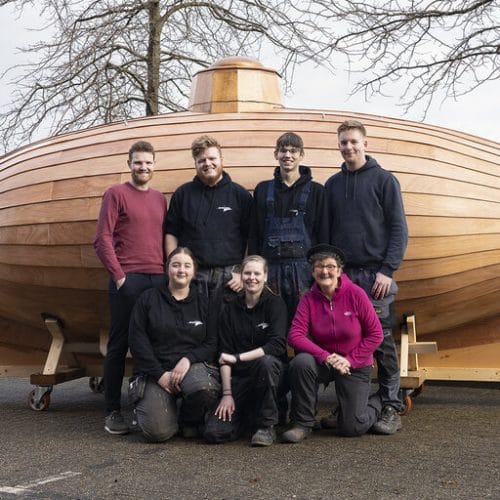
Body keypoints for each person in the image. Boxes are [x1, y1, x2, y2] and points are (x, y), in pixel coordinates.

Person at [325, 120, 408, 434]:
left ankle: (390, 405)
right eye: (343, 142)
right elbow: (328, 233)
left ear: (365, 144)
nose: (348, 147)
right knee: (344, 340)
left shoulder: (385, 181)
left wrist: (388, 270)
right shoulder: (332, 185)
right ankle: (349, 403)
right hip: (343, 278)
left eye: (353, 142)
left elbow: (399, 230)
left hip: (376, 277)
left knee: (382, 342)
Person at [94, 140, 167, 435]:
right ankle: (112, 411)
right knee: (119, 345)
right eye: (138, 162)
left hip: (157, 279)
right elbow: (102, 239)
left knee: (147, 345)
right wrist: (119, 276)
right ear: (129, 164)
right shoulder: (116, 194)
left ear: (154, 164)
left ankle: (141, 407)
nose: (143, 167)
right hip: (128, 279)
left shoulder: (160, 198)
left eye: (148, 162)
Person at [282, 244, 384, 443]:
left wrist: (350, 360)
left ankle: (378, 403)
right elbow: (295, 335)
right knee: (301, 363)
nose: (325, 271)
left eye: (330, 266)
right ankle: (302, 423)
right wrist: (325, 356)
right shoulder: (308, 299)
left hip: (354, 364)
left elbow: (376, 334)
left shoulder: (356, 294)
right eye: (319, 266)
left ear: (339, 270)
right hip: (326, 362)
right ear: (312, 271)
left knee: (352, 427)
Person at [128, 247, 220, 442]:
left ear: (194, 271)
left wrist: (188, 359)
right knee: (158, 433)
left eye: (187, 266)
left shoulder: (205, 302)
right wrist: (160, 375)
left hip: (191, 368)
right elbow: (138, 342)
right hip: (155, 371)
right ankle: (165, 410)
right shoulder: (148, 299)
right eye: (176, 265)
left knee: (204, 389)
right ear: (167, 269)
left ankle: (189, 419)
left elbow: (211, 343)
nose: (181, 270)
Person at [204, 255, 288, 447]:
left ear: (265, 276)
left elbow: (276, 345)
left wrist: (238, 357)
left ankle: (267, 426)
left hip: (272, 375)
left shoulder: (275, 304)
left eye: (257, 273)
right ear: (241, 276)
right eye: (247, 273)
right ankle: (249, 416)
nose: (252, 277)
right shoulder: (230, 309)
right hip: (239, 380)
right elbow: (224, 355)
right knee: (214, 433)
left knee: (265, 362)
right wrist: (227, 394)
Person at [248, 132, 329, 325]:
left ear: (302, 155)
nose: (288, 155)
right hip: (270, 273)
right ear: (276, 154)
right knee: (272, 327)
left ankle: (305, 357)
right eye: (283, 150)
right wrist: (253, 269)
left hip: (304, 274)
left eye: (293, 151)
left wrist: (321, 273)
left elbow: (323, 236)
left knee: (306, 328)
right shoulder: (262, 190)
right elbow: (255, 235)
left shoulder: (317, 192)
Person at [165, 135, 253, 297]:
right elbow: (171, 233)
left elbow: (251, 237)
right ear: (195, 164)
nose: (207, 163)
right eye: (201, 160)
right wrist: (174, 269)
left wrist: (243, 272)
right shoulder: (183, 194)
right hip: (192, 276)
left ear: (221, 159)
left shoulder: (240, 195)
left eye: (212, 158)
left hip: (231, 277)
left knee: (228, 323)